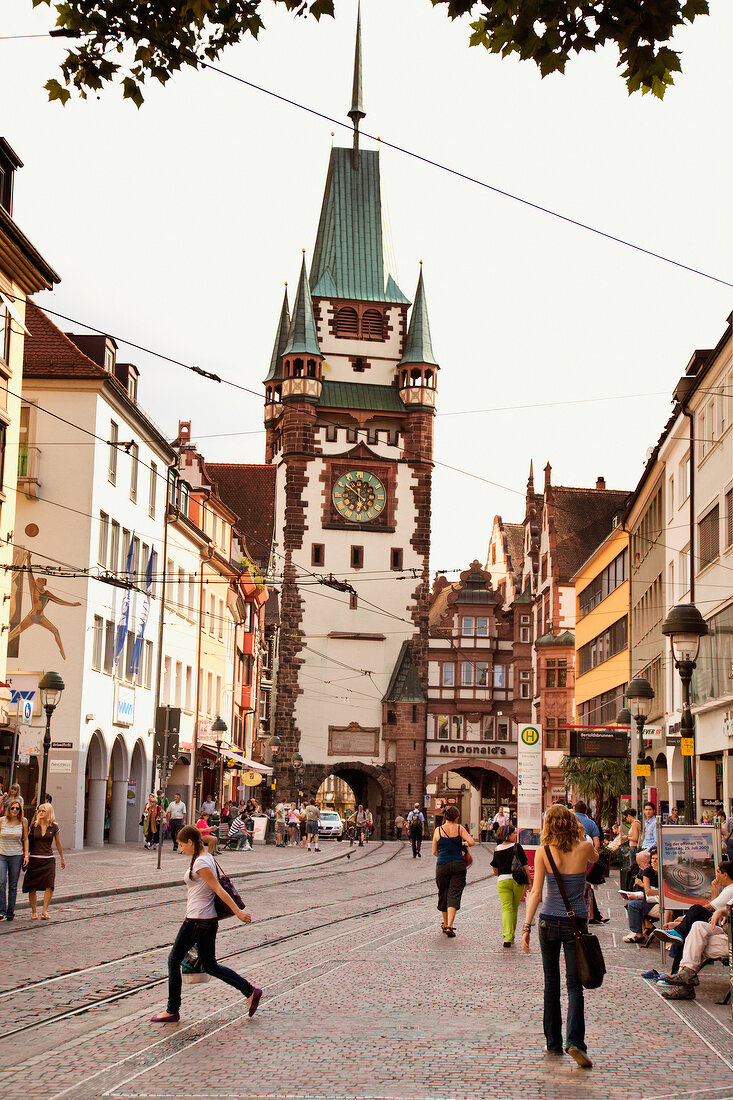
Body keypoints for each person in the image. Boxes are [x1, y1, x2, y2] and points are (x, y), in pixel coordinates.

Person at [149, 824, 262, 1024]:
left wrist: (238, 912)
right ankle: (250, 991)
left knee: (173, 960)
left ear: (191, 842)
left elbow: (218, 889)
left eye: (181, 845)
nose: (181, 849)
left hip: (196, 919)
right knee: (210, 965)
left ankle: (172, 1010)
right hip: (207, 920)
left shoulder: (201, 862)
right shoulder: (207, 857)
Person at [521, 803, 599, 1069]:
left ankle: (553, 1042)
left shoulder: (543, 851)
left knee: (551, 985)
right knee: (575, 985)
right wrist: (581, 834)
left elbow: (536, 893)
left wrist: (527, 927)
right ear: (570, 823)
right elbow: (596, 858)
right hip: (575, 922)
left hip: (547, 922)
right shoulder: (584, 847)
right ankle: (576, 1041)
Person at [654, 860, 733, 973]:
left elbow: (710, 908)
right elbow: (715, 905)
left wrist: (684, 919)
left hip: (721, 925)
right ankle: (676, 972)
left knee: (696, 909)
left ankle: (677, 972)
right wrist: (714, 889)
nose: (716, 875)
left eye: (718, 872)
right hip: (717, 922)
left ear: (725, 875)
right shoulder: (726, 889)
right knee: (686, 931)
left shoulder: (730, 890)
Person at [432, 805, 475, 937]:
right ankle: (450, 925)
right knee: (454, 894)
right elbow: (472, 842)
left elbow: (434, 851)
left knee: (443, 893)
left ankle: (445, 925)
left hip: (442, 865)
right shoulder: (459, 828)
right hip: (458, 865)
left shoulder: (438, 830)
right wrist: (463, 844)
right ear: (457, 817)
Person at [22, 803, 65, 920]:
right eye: (39, 811)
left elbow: (58, 843)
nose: (41, 813)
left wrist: (62, 858)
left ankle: (44, 911)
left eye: (43, 811)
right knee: (32, 886)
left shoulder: (54, 827)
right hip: (35, 858)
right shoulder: (34, 826)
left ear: (49, 812)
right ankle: (34, 911)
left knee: (49, 885)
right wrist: (25, 856)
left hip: (48, 859)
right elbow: (26, 840)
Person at [490, 823, 528, 947]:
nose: (515, 834)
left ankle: (507, 937)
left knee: (506, 908)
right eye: (513, 833)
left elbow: (495, 870)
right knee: (514, 908)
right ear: (508, 835)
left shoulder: (497, 849)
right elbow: (525, 865)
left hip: (502, 881)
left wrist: (501, 874)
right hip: (517, 880)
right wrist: (529, 881)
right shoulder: (517, 847)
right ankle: (511, 936)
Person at [0, 795, 29, 921]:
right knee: (1, 882)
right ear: (8, 809)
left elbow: (25, 839)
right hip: (2, 854)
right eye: (12, 808)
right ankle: (1, 910)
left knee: (13, 885)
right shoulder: (1, 821)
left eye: (17, 809)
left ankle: (10, 911)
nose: (15, 810)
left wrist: (26, 855)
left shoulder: (23, 821)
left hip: (16, 855)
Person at [623, 848, 659, 943]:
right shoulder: (648, 871)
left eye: (657, 859)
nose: (654, 861)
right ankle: (646, 927)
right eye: (653, 859)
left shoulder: (660, 872)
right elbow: (648, 891)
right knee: (632, 903)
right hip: (651, 900)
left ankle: (639, 932)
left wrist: (644, 888)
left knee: (632, 905)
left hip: (655, 902)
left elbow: (649, 891)